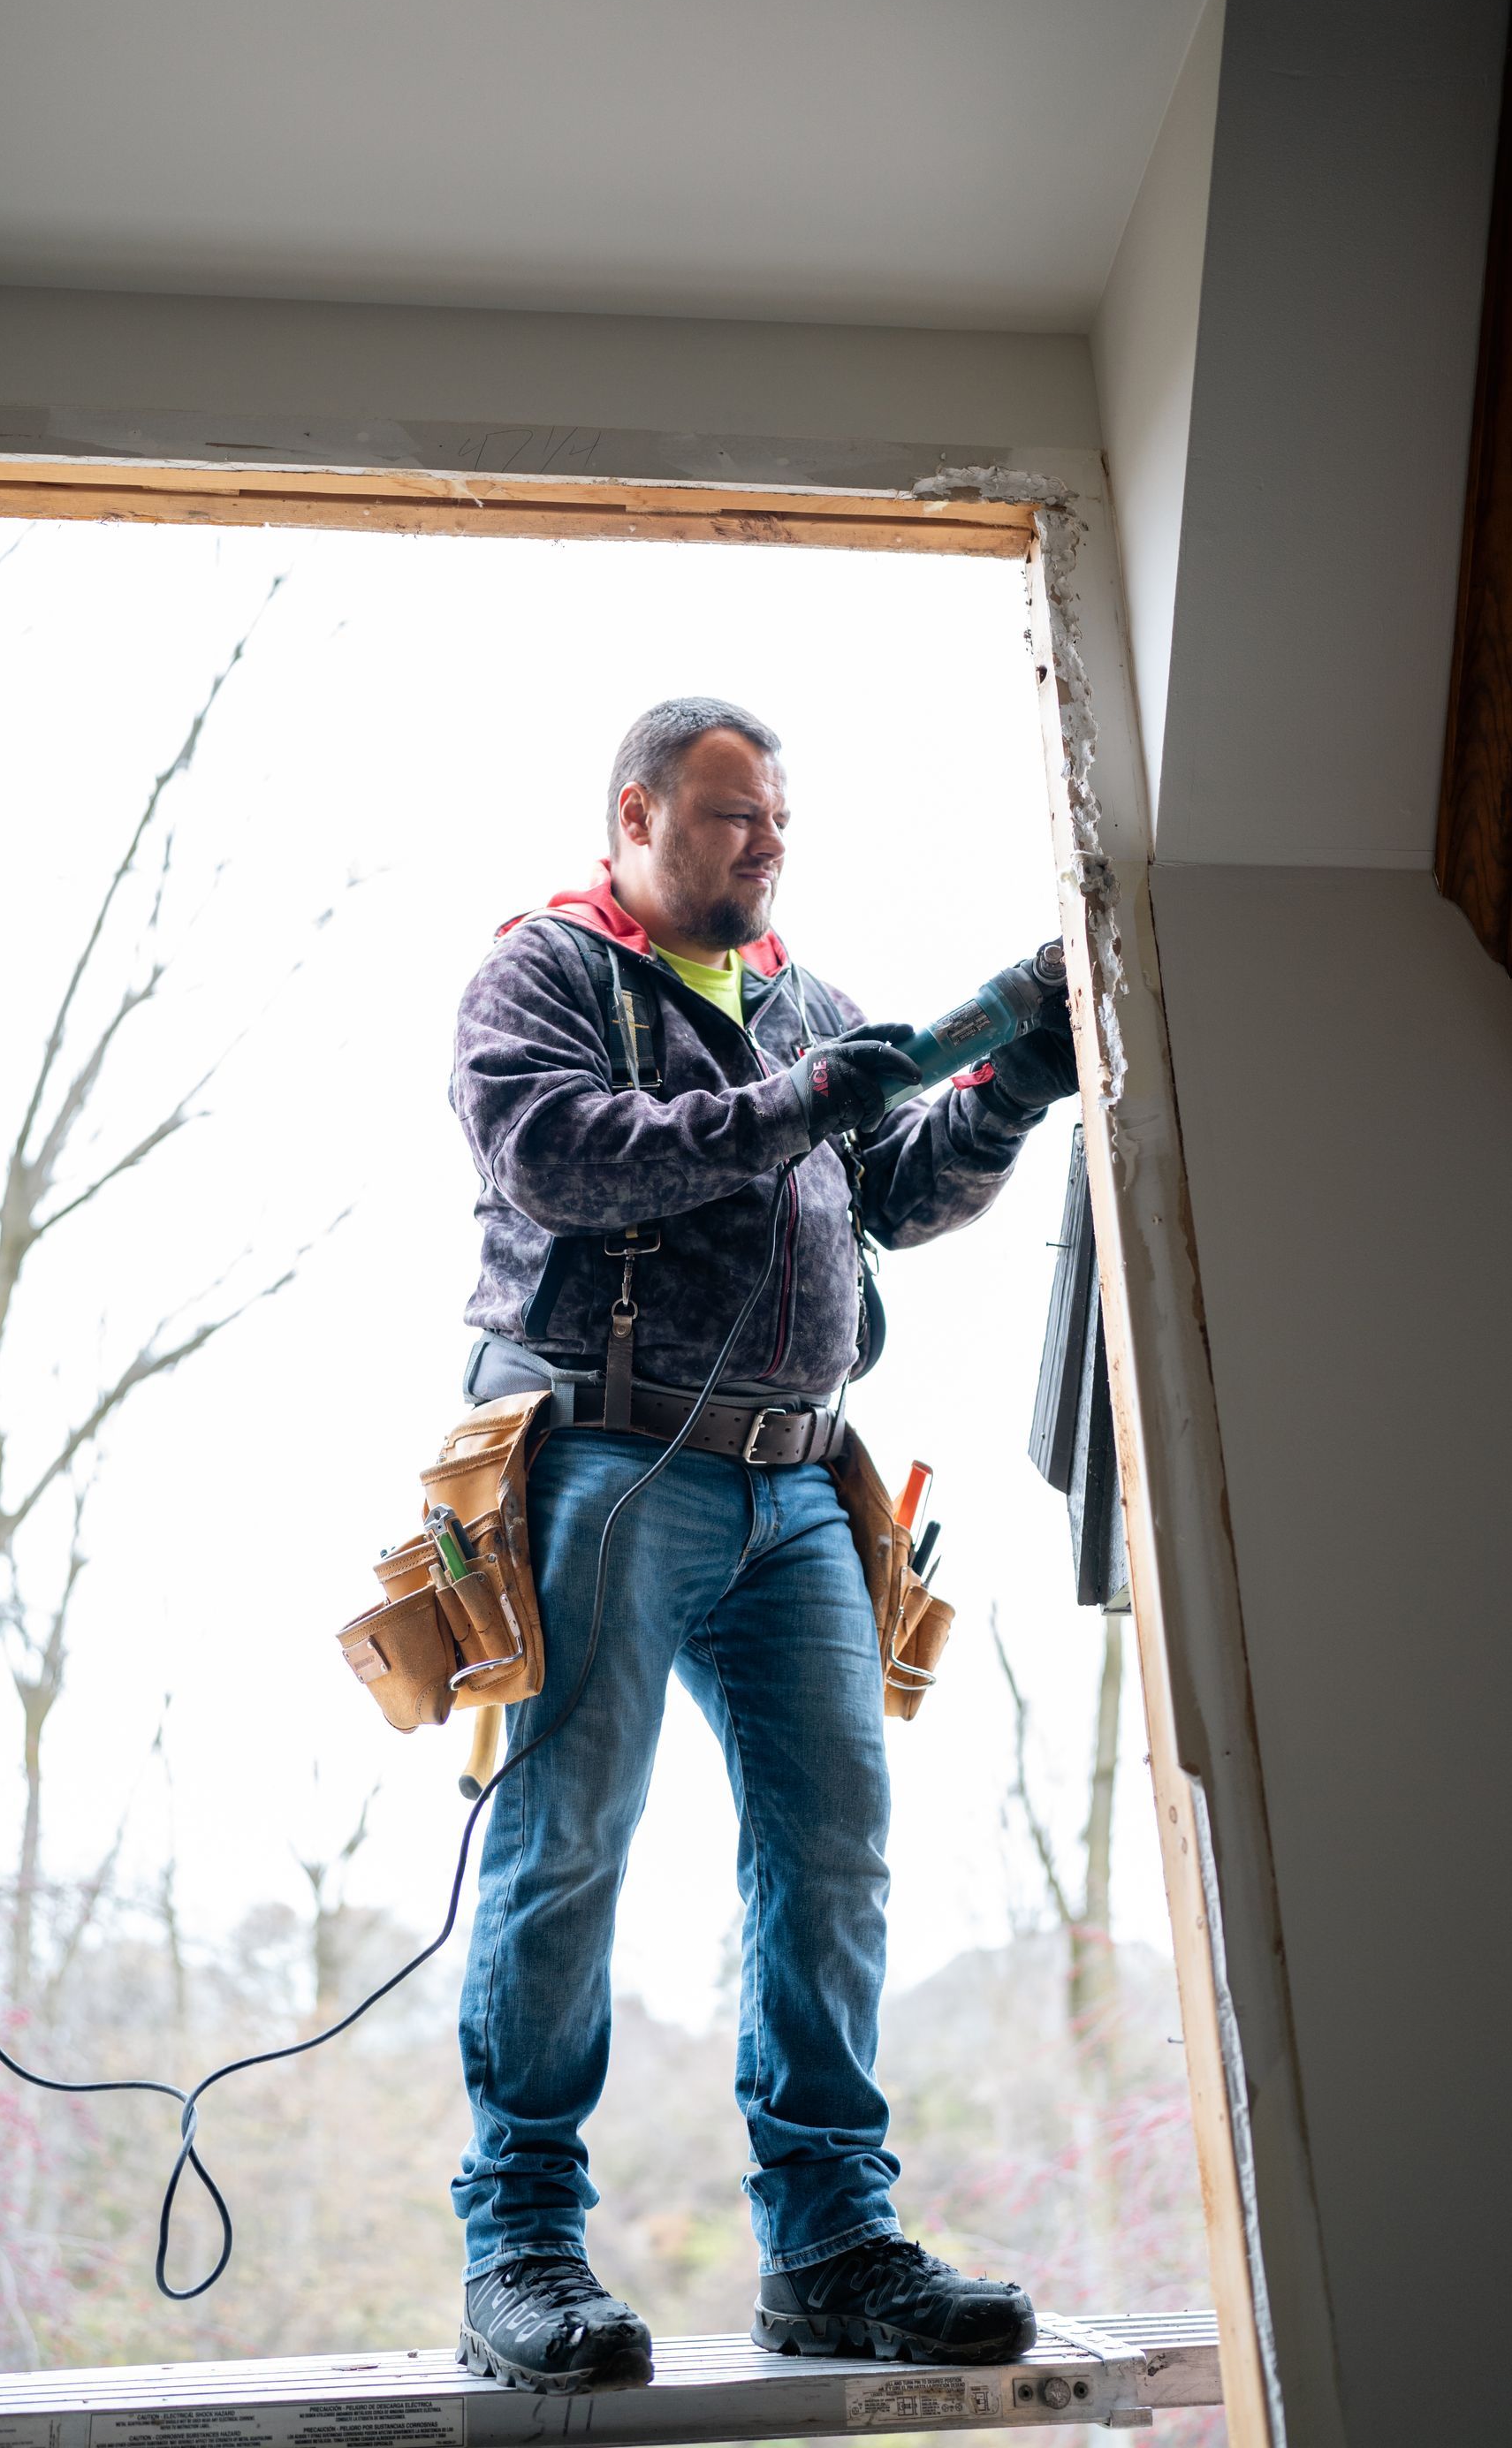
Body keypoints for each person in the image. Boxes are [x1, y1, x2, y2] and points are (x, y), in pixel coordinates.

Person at [448, 697, 1076, 2393]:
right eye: (732, 817)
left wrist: (1010, 1081)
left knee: (834, 1857)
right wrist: (791, 1103)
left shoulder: (805, 998)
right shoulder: (547, 979)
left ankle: (832, 2247)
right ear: (637, 816)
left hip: (800, 1487)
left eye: (779, 819)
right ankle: (519, 2243)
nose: (765, 844)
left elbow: (898, 1188)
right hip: (607, 1466)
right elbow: (560, 1158)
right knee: (567, 1846)